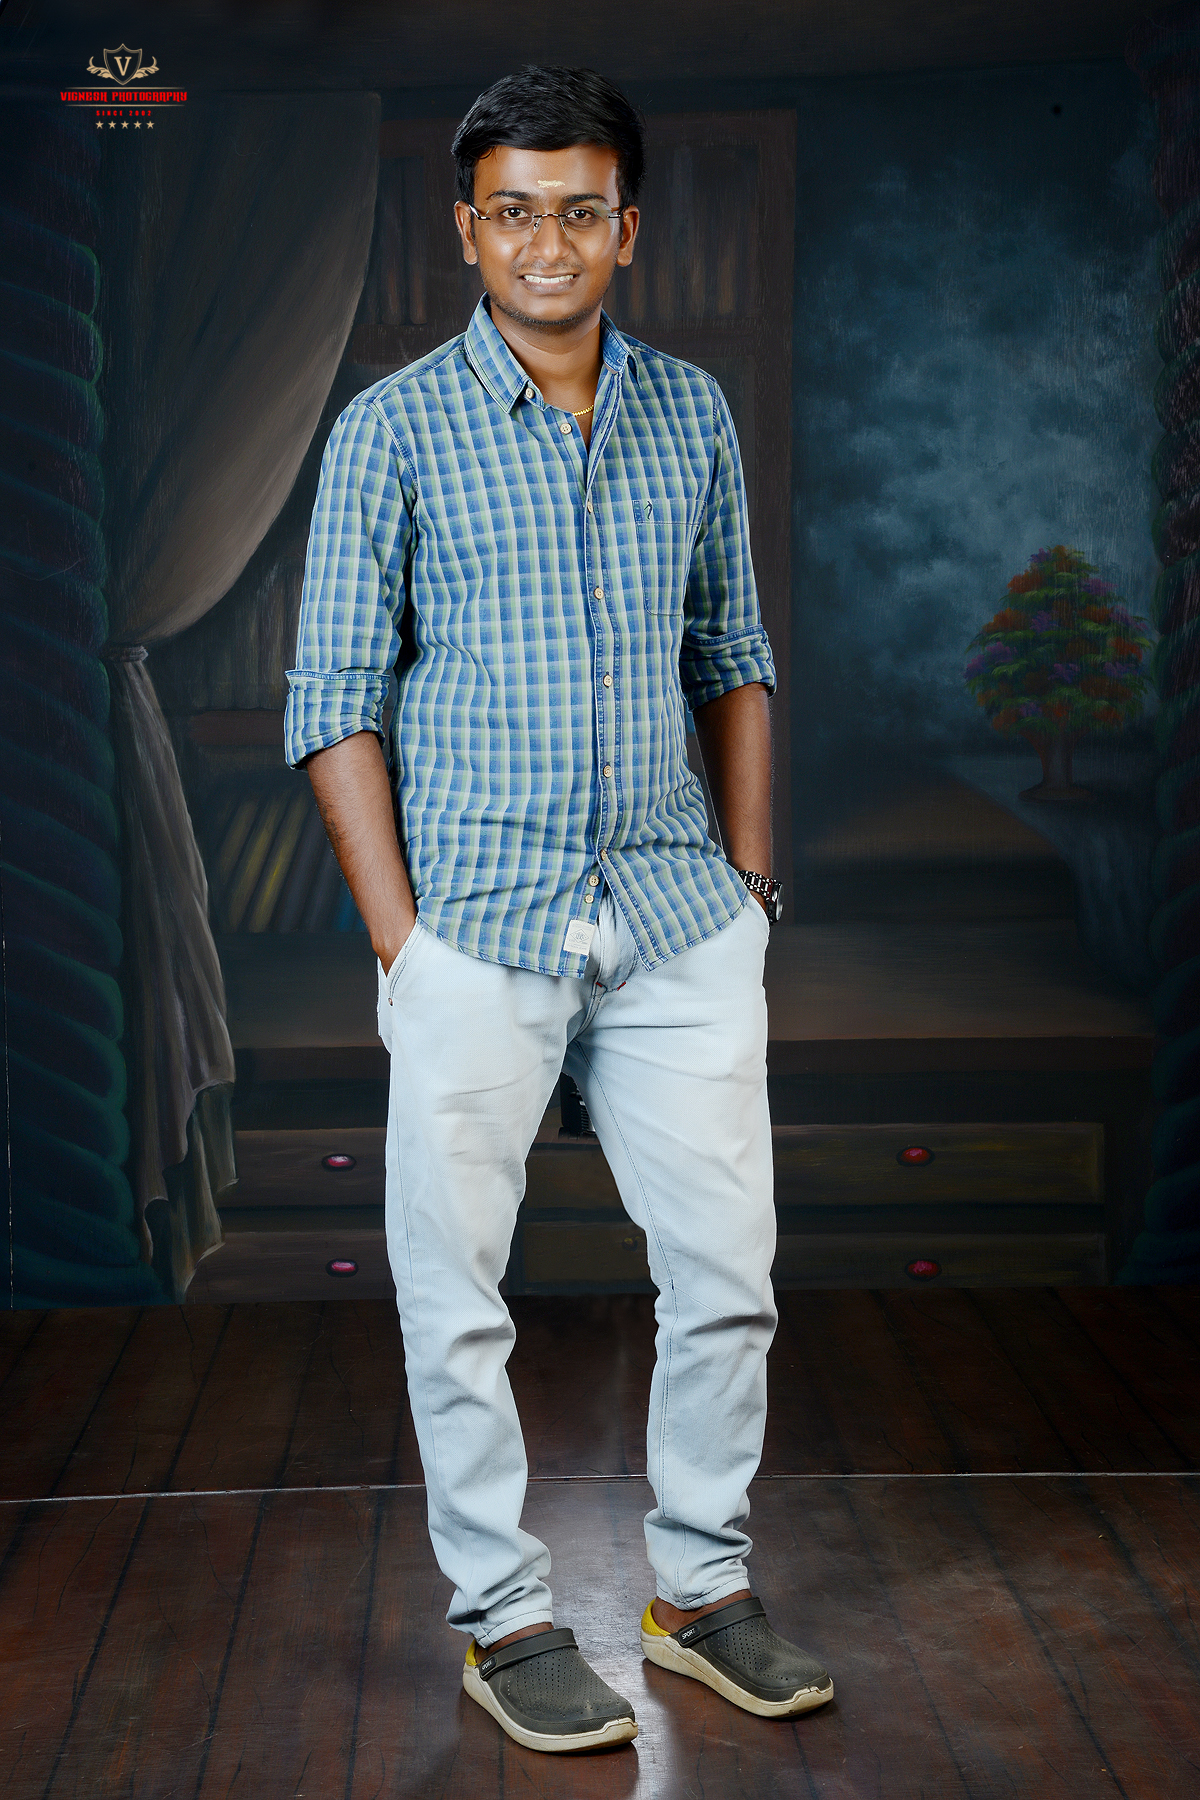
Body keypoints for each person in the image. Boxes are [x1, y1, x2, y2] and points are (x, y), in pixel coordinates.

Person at [284, 64, 834, 1754]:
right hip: (475, 920)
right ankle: (506, 1618)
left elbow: (734, 652)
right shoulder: (391, 430)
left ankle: (700, 1591)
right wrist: (401, 941)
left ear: (626, 229)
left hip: (674, 910)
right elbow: (333, 698)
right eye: (513, 212)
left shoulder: (691, 414)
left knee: (727, 1275)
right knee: (456, 1294)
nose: (547, 243)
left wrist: (749, 886)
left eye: (579, 211)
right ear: (468, 229)